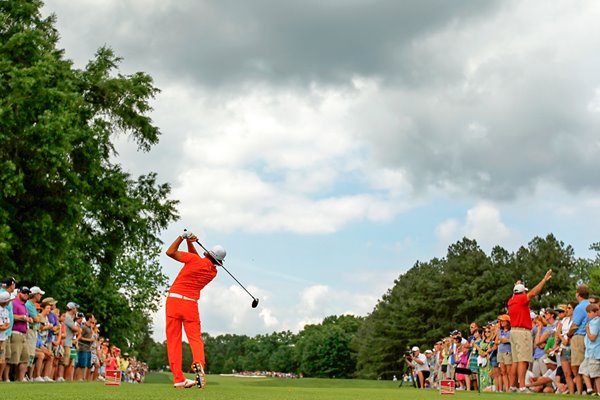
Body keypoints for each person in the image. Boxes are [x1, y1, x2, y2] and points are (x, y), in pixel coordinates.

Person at [165, 230, 226, 389]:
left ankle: (178, 378)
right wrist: (190, 242)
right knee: (195, 339)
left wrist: (181, 237)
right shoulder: (213, 272)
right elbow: (197, 260)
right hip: (190, 304)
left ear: (208, 253)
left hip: (174, 300)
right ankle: (199, 363)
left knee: (174, 341)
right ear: (218, 262)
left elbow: (170, 252)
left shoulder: (193, 260)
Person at [507, 269, 552, 392]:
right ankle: (522, 386)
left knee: (515, 360)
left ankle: (513, 386)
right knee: (523, 360)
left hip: (514, 331)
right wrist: (543, 280)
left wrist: (517, 286)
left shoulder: (511, 301)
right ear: (521, 293)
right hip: (522, 332)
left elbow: (516, 293)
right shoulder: (521, 299)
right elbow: (533, 293)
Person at [568, 284, 591, 394]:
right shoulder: (591, 305)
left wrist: (568, 335)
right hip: (588, 337)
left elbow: (575, 325)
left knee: (576, 367)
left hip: (579, 337)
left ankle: (581, 391)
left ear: (578, 294)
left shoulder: (580, 307)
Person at [579, 303, 600, 395]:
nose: (588, 314)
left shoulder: (596, 321)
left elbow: (593, 337)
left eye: (589, 312)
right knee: (583, 370)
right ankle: (589, 389)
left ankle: (599, 392)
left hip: (594, 352)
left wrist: (587, 330)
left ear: (596, 312)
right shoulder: (591, 322)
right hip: (589, 352)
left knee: (595, 373)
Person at [0, 291, 13, 379]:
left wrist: (5, 326)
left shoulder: (6, 311)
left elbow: (8, 324)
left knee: (2, 358)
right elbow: (2, 327)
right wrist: (4, 326)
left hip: (3, 337)